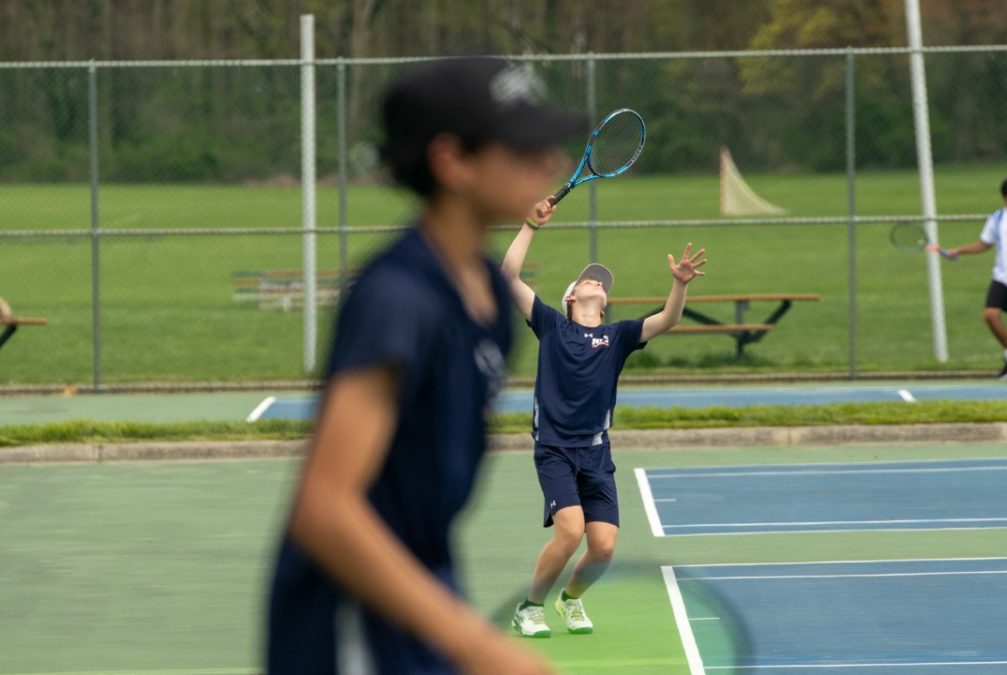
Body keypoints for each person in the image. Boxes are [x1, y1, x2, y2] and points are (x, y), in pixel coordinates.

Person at [266, 57, 586, 674]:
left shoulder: (489, 297)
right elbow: (324, 508)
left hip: (421, 589)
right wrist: (478, 644)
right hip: (350, 620)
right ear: (452, 162)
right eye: (522, 147)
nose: (550, 161)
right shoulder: (397, 300)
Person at [502, 199, 706, 637]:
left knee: (604, 547)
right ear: (572, 296)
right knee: (571, 531)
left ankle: (570, 600)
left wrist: (680, 284)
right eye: (587, 278)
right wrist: (530, 225)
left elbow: (667, 319)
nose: (596, 281)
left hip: (597, 453)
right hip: (555, 448)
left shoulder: (617, 337)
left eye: (602, 282)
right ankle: (529, 607)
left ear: (606, 301)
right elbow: (507, 278)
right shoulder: (552, 326)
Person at [930, 177, 1007, 384]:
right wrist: (958, 250)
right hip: (1001, 276)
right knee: (990, 315)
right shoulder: (997, 218)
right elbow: (984, 243)